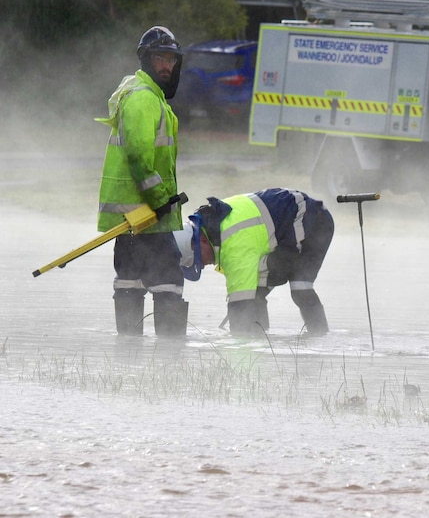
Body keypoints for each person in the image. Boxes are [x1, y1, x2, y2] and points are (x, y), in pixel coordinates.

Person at [96, 26, 187, 336]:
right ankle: (171, 362)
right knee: (169, 284)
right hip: (148, 216)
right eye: (160, 58)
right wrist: (160, 199)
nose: (166, 66)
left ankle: (128, 358)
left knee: (129, 282)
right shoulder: (143, 99)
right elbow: (137, 155)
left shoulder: (146, 96)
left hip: (134, 217)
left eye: (171, 60)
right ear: (145, 59)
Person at [174, 188, 334, 336]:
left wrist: (237, 340)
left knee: (300, 288)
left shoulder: (233, 243)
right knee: (257, 292)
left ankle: (320, 339)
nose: (201, 265)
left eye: (197, 260)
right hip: (289, 226)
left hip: (312, 218)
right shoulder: (217, 225)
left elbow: (240, 304)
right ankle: (262, 338)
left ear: (201, 240)